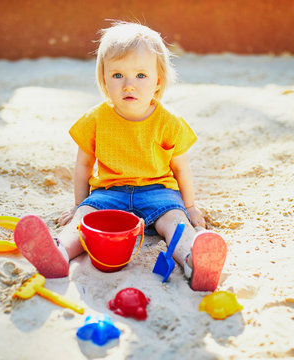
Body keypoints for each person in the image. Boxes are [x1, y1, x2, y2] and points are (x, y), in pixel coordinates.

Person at [14, 21, 227, 292]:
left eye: (141, 75)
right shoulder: (95, 119)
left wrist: (191, 206)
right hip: (109, 192)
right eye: (117, 75)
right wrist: (80, 206)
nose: (129, 85)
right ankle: (57, 254)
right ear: (104, 79)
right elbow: (83, 166)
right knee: (84, 221)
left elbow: (182, 169)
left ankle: (193, 260)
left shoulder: (169, 122)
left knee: (175, 221)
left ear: (158, 81)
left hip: (158, 191)